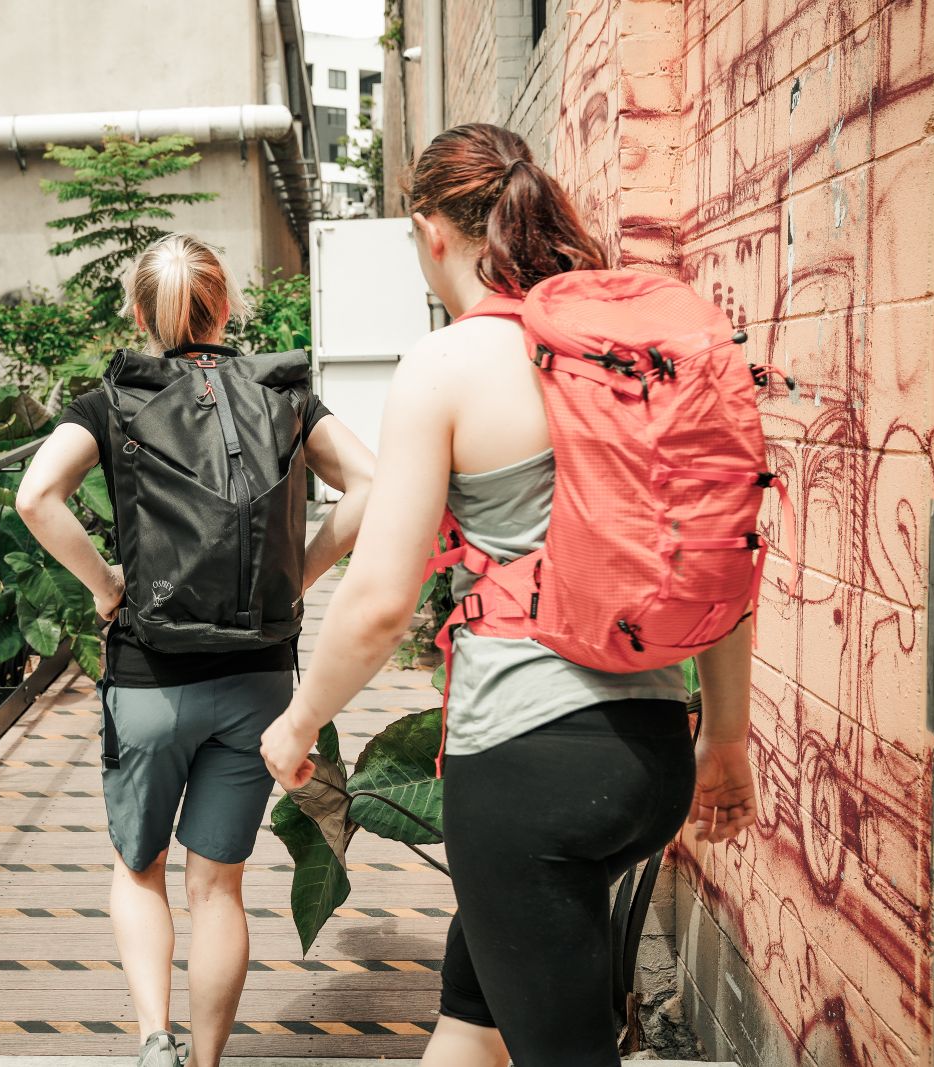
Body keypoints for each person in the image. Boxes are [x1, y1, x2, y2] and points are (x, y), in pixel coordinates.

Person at [259, 124, 759, 1067]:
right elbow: (717, 552)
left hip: (526, 775)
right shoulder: (632, 359)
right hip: (652, 754)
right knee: (474, 1009)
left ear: (429, 230)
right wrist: (724, 740)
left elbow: (376, 603)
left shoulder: (447, 365)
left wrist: (298, 721)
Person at [17, 233, 375, 1067]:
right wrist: (302, 578)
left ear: (142, 315)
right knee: (218, 885)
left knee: (138, 867)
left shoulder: (115, 397)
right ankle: (208, 1062)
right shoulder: (283, 393)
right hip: (257, 679)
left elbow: (37, 496)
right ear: (229, 307)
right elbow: (374, 483)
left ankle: (154, 1042)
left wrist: (109, 587)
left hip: (150, 677)